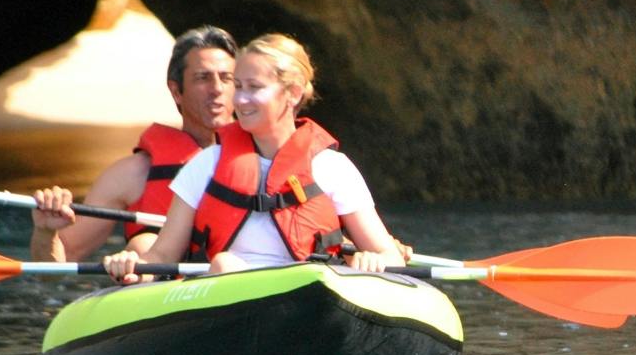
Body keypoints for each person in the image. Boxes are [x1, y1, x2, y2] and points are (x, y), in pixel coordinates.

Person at [102, 33, 407, 282]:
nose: (240, 99)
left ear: (293, 93)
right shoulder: (206, 165)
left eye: (254, 87)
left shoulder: (332, 168)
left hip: (309, 293)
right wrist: (134, 266)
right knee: (224, 264)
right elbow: (162, 255)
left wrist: (375, 260)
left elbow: (388, 254)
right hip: (226, 292)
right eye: (238, 86)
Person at [27, 25, 238, 262]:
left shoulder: (265, 158)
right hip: (167, 278)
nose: (217, 89)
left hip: (239, 271)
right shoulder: (131, 174)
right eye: (202, 78)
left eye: (227, 78)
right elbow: (58, 265)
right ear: (176, 91)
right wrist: (46, 232)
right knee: (142, 246)